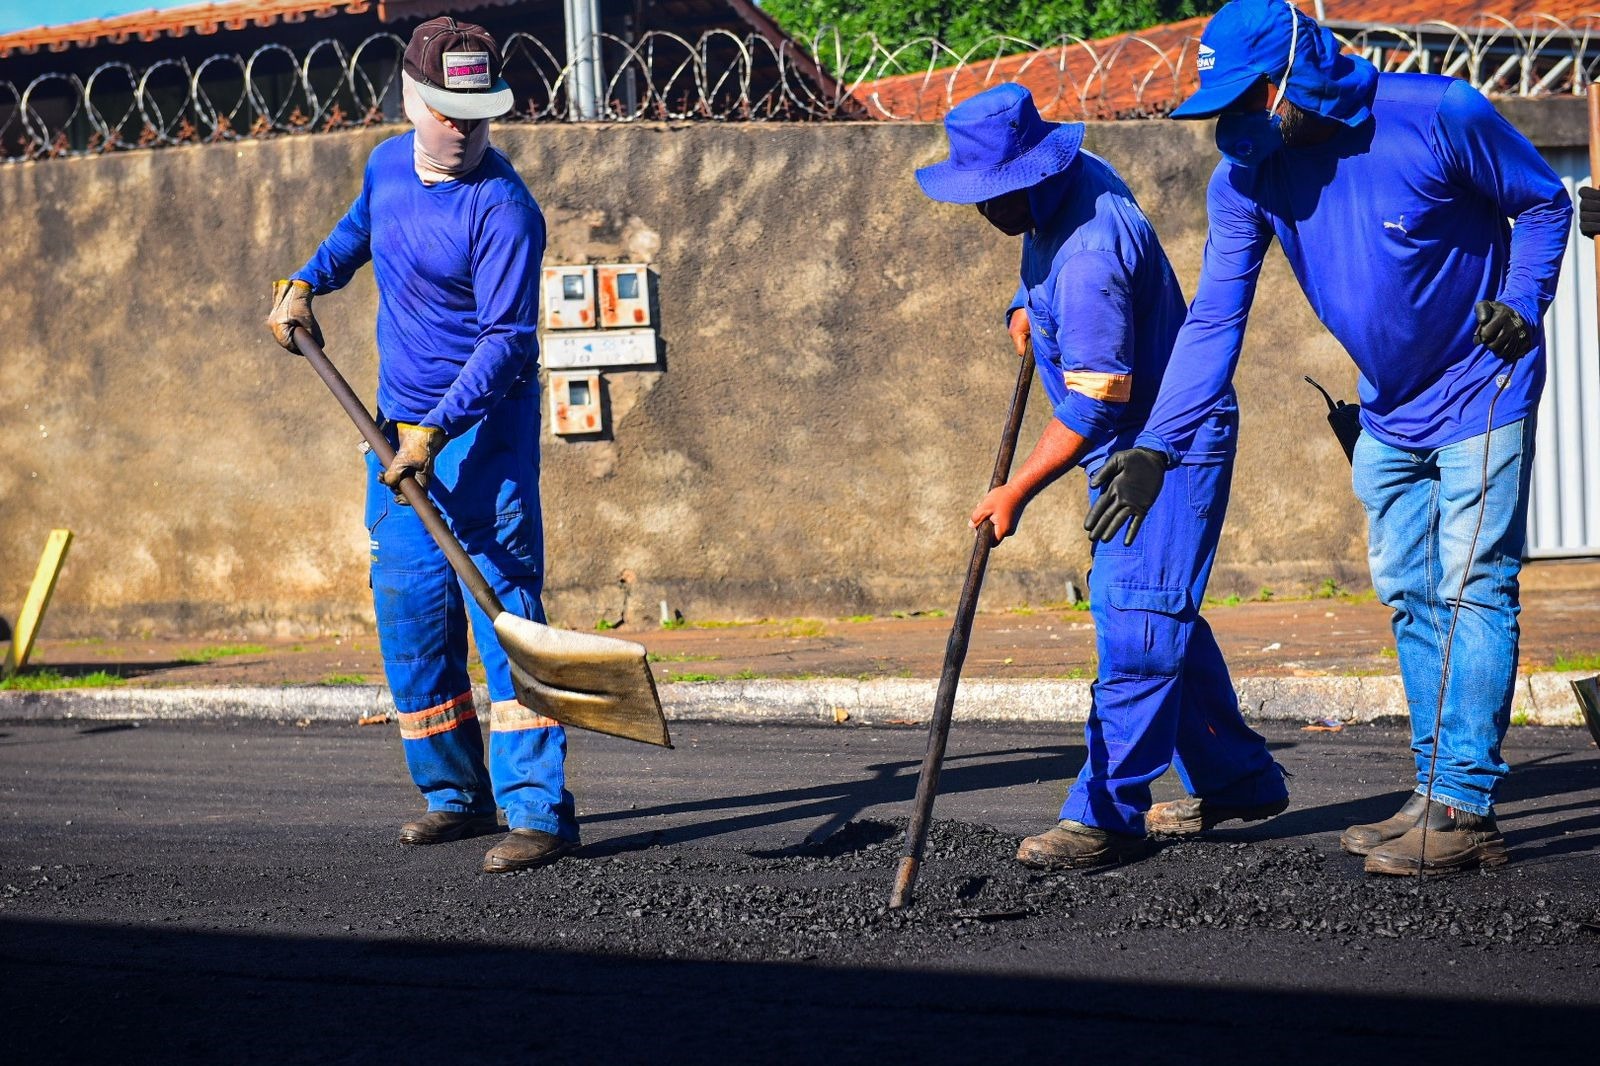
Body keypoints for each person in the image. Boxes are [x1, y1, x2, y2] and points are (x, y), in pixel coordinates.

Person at [1085, 0, 1571, 875]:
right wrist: (1158, 445)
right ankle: (1434, 790)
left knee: (1472, 586)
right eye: (1222, 107)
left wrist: (1523, 301)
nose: (1234, 124)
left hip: (1483, 385)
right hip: (1388, 407)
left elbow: (1542, 205)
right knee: (1412, 595)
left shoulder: (1440, 115)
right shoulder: (1247, 180)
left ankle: (1465, 808)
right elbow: (1214, 323)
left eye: (1247, 99)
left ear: (1295, 76)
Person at [916, 84, 1289, 869]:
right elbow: (1043, 267)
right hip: (1126, 441)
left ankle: (1105, 815)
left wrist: (1015, 491)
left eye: (995, 196)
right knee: (1157, 614)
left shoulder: (1090, 258)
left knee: (1138, 626)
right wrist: (1026, 305)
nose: (984, 211)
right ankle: (1239, 778)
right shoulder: (1074, 181)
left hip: (1162, 451)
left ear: (1034, 177)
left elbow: (1095, 401)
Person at [266, 17, 578, 873]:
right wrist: (306, 281)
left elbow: (507, 340)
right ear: (410, 100)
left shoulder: (503, 209)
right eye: (448, 112)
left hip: (481, 436)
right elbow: (358, 229)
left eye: (479, 115)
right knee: (411, 611)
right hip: (395, 431)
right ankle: (456, 797)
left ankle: (539, 813)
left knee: (502, 611)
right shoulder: (386, 168)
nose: (466, 130)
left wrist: (437, 429)